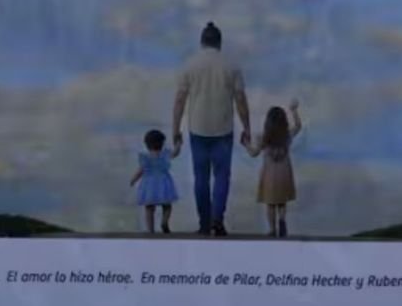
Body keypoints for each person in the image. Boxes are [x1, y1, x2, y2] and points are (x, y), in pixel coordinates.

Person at [172, 22, 251, 236]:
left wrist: (175, 130)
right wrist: (247, 127)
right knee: (222, 177)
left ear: (202, 41)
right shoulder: (231, 65)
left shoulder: (189, 65)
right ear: (219, 42)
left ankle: (204, 223)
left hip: (198, 129)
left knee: (201, 178)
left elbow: (179, 100)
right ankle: (218, 219)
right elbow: (240, 99)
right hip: (223, 129)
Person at [243, 100, 301, 237]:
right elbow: (298, 126)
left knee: (270, 203)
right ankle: (282, 220)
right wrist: (294, 110)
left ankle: (272, 229)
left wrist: (246, 144)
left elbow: (253, 153)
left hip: (269, 174)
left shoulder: (263, 138)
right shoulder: (287, 136)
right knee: (281, 201)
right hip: (284, 172)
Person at [129, 129, 181, 234]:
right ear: (162, 143)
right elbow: (175, 153)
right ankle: (164, 221)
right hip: (164, 183)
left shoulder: (145, 157)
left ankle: (151, 230)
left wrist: (133, 179)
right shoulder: (165, 154)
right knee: (167, 206)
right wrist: (179, 143)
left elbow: (141, 170)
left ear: (147, 144)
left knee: (149, 208)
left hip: (149, 185)